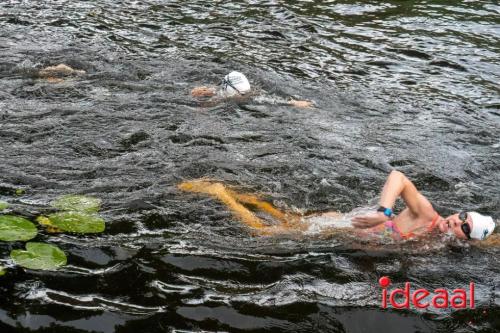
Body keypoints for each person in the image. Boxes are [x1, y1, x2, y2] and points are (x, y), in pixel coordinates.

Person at [178, 170, 496, 242]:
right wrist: (383, 213)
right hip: (344, 226)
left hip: (344, 226)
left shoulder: (440, 243)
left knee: (285, 219)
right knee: (263, 234)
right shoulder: (427, 214)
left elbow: (491, 242)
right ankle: (219, 192)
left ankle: (248, 198)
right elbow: (398, 176)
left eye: (463, 228)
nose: (455, 223)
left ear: (466, 241)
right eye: (461, 217)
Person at [191, 71, 314, 108]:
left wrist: (293, 103)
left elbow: (270, 99)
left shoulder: (249, 92)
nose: (248, 95)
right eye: (244, 93)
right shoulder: (220, 98)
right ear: (234, 92)